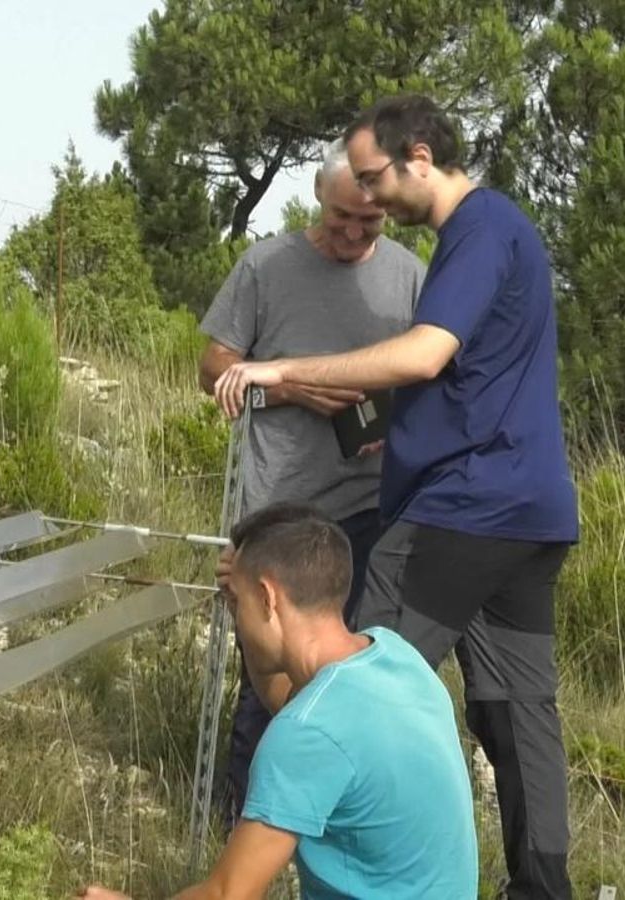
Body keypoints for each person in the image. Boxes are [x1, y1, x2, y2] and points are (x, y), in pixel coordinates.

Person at [213, 94, 580, 899]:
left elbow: (423, 354)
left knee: (341, 679)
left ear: (419, 156)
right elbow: (473, 379)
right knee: (519, 716)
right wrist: (400, 429)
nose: (371, 199)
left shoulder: (477, 230)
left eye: (377, 179)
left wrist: (284, 369)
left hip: (462, 511)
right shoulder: (499, 233)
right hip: (532, 514)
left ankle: (260, 873)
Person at [76, 503, 478, 900]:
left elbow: (229, 895)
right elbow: (290, 697)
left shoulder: (308, 731)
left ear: (268, 597)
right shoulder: (393, 657)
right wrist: (243, 596)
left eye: (238, 602)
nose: (235, 615)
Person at [196, 141, 423, 825]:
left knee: (350, 679)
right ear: (316, 202)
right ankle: (244, 822)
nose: (353, 233)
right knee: (266, 677)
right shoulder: (265, 265)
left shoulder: (412, 279)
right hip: (278, 512)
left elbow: (430, 375)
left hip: (369, 510)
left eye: (370, 222)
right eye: (340, 218)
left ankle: (332, 825)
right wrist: (296, 388)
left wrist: (396, 421)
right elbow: (213, 368)